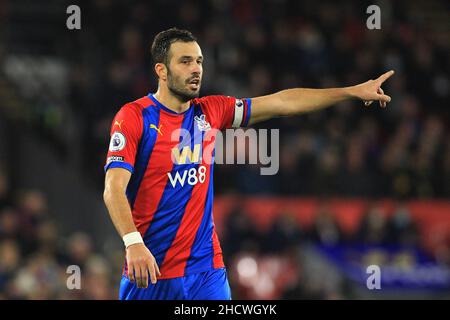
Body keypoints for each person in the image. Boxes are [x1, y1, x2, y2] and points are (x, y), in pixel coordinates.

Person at [103, 27, 394, 300]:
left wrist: (350, 91)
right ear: (161, 70)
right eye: (185, 61)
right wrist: (133, 242)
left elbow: (282, 103)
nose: (196, 69)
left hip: (206, 269)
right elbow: (113, 189)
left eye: (199, 61)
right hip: (150, 268)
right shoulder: (134, 117)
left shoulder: (212, 110)